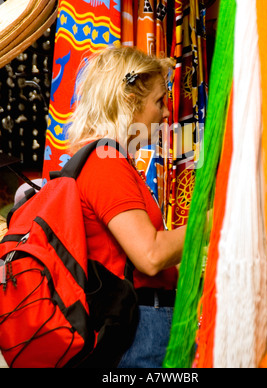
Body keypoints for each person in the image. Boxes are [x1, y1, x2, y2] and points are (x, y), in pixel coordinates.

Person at [67, 45, 186, 368]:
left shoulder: (98, 159)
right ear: (131, 103)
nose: (165, 114)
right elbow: (151, 256)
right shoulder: (106, 164)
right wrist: (214, 221)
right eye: (159, 101)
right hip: (141, 330)